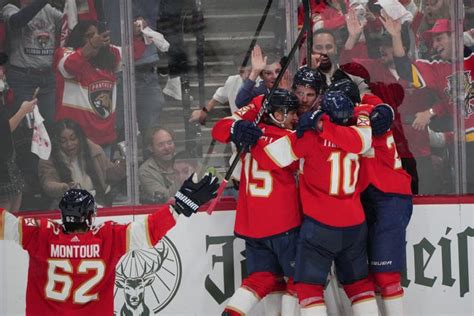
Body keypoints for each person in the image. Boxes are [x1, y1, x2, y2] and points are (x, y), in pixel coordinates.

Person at [0, 173, 219, 315]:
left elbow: (4, 223)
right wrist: (180, 205)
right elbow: (149, 230)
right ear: (89, 216)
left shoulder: (39, 233)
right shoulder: (108, 236)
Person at [255, 91, 378, 315]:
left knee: (308, 289)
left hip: (320, 227)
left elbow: (267, 158)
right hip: (354, 224)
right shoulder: (359, 133)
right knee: (359, 285)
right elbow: (363, 139)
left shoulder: (309, 137)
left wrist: (252, 138)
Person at [213, 89, 302, 316]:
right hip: (283, 223)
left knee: (261, 278)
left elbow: (221, 128)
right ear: (276, 114)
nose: (295, 118)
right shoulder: (288, 138)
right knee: (299, 278)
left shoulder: (250, 133)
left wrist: (235, 128)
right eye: (290, 113)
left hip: (252, 225)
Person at [382, 16, 474, 193]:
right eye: (432, 41)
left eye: (439, 38)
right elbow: (405, 70)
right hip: (462, 148)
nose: (435, 45)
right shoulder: (437, 68)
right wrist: (395, 36)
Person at [53, 20, 121, 156]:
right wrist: (92, 45)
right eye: (89, 36)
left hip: (104, 138)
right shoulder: (65, 53)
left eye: (98, 36)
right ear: (79, 37)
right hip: (74, 141)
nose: (95, 39)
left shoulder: (110, 55)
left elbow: (131, 52)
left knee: (102, 177)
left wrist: (137, 32)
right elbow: (69, 66)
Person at [38, 119, 126, 207]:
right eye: (63, 141)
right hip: (66, 208)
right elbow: (48, 184)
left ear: (80, 138)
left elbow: (108, 174)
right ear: (57, 142)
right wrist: (64, 187)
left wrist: (124, 165)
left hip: (99, 204)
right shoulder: (48, 158)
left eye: (73, 139)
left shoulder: (94, 150)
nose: (69, 144)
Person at [0, 96, 36, 211]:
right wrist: (23, 111)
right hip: (2, 169)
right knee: (5, 217)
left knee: (14, 214)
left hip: (8, 160)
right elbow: (3, 131)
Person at [139, 126, 180, 203]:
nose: (167, 148)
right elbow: (164, 198)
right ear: (151, 148)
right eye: (161, 145)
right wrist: (183, 177)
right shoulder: (145, 171)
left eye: (169, 142)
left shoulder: (184, 162)